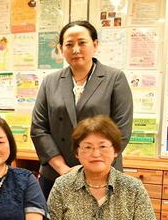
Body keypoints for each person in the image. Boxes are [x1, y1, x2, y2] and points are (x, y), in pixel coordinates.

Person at [31, 20, 133, 199]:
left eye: (82, 42)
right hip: (56, 174)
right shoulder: (50, 82)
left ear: (95, 44)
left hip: (101, 173)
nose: (76, 49)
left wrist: (92, 167)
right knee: (52, 217)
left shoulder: (115, 78)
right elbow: (39, 128)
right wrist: (63, 169)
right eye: (69, 44)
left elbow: (121, 131)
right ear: (61, 48)